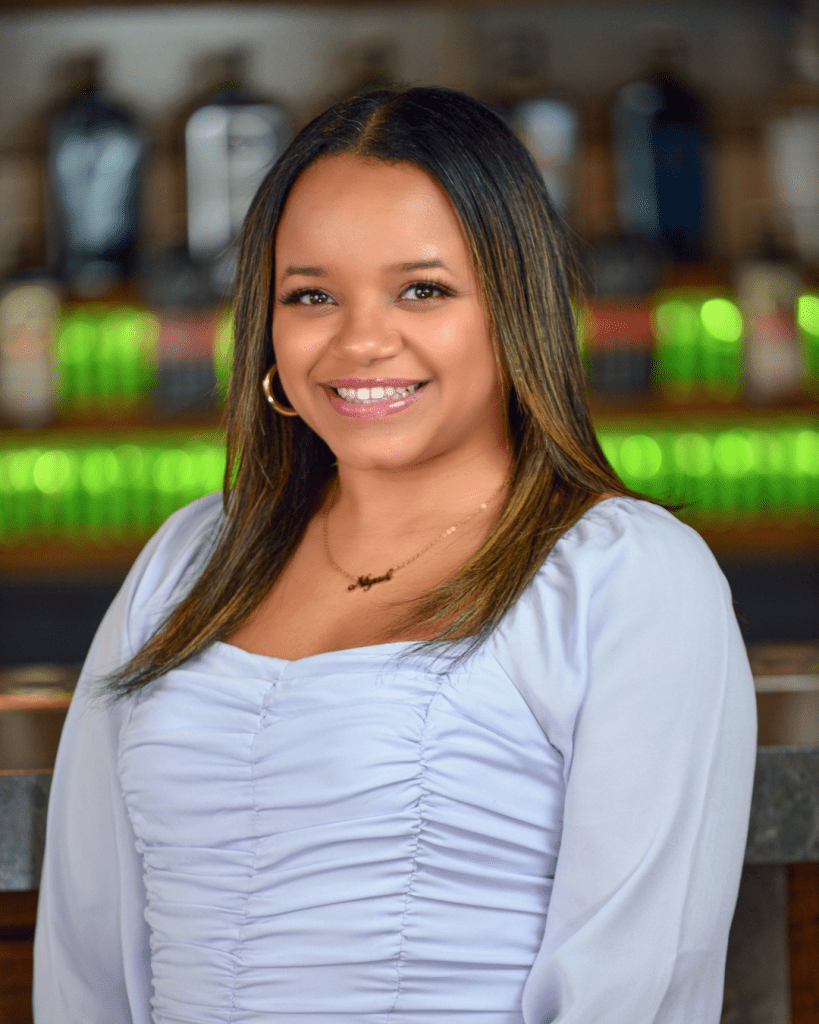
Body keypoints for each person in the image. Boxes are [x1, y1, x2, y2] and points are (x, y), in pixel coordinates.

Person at [33, 86, 757, 1024]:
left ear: (514, 307)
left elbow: (637, 982)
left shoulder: (626, 575)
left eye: (423, 289)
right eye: (311, 295)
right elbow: (87, 947)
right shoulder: (188, 558)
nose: (361, 340)